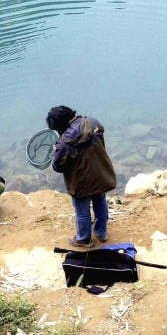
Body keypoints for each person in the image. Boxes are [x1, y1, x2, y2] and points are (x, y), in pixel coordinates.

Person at [47, 105, 116, 248]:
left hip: (80, 182)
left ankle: (84, 239)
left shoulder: (64, 143)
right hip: (100, 173)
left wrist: (57, 150)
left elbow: (57, 167)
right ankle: (101, 232)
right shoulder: (93, 122)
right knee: (100, 201)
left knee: (82, 210)